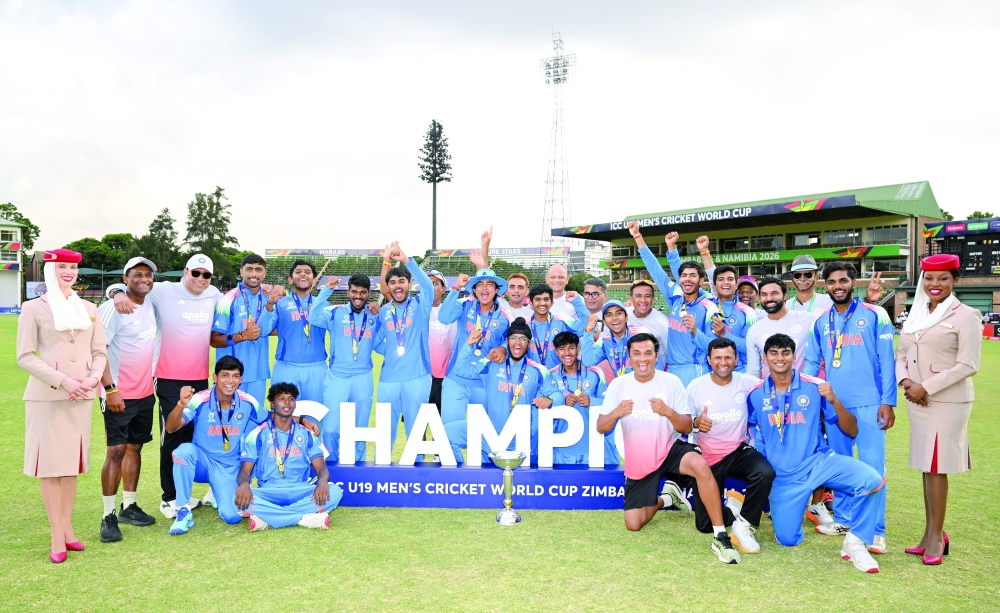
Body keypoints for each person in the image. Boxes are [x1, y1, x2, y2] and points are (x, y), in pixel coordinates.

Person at [596, 333, 741, 564]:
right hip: (640, 462)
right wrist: (616, 413)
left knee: (699, 465)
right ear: (629, 357)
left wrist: (667, 412)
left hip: (669, 450)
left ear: (656, 355)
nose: (642, 359)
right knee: (633, 524)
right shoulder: (619, 385)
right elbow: (601, 428)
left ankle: (720, 534)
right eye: (636, 353)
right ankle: (668, 498)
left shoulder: (671, 382)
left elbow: (685, 426)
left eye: (648, 353)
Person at [747, 333, 885, 573]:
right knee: (787, 539)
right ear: (765, 357)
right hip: (783, 477)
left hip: (818, 463)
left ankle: (855, 542)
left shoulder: (815, 387)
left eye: (786, 353)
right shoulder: (755, 394)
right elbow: (753, 436)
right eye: (774, 353)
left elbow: (851, 429)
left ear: (794, 356)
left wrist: (835, 400)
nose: (780, 358)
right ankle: (797, 510)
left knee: (871, 479)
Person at [107, 253, 220, 518]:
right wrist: (117, 294)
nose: (200, 279)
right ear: (185, 271)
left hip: (200, 377)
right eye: (196, 273)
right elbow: (134, 285)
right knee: (172, 434)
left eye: (206, 275)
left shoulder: (213, 293)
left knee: (196, 434)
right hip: (168, 376)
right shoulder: (164, 291)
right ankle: (170, 498)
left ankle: (187, 491)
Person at [17, 249, 107, 563]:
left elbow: (99, 352)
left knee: (70, 469)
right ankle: (56, 535)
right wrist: (64, 381)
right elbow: (25, 356)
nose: (68, 272)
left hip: (81, 397)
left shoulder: (88, 308)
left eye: (72, 267)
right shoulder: (33, 308)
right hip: (48, 398)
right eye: (61, 267)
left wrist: (93, 379)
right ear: (50, 270)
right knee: (51, 469)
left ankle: (68, 531)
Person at [896, 254, 982, 565]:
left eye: (943, 278)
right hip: (916, 399)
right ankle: (930, 533)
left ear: (955, 280)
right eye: (930, 279)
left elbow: (968, 364)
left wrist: (925, 387)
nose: (935, 285)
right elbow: (901, 354)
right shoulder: (916, 314)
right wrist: (906, 381)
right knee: (927, 466)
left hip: (946, 401)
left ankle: (936, 536)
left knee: (936, 465)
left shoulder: (967, 315)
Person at [804, 262, 896, 552]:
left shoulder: (875, 314)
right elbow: (809, 364)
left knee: (872, 468)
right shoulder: (820, 322)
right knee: (841, 465)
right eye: (831, 282)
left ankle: (876, 531)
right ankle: (843, 518)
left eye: (843, 280)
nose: (837, 286)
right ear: (826, 286)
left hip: (870, 404)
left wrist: (888, 401)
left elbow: (886, 361)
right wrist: (810, 400)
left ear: (853, 283)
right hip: (835, 406)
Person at [686, 338, 774, 554]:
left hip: (737, 450)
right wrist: (696, 424)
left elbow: (776, 388)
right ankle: (733, 506)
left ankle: (743, 525)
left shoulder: (748, 383)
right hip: (707, 459)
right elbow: (684, 423)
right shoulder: (696, 387)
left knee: (765, 473)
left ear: (736, 360)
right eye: (718, 357)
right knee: (705, 525)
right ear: (709, 360)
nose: (723, 362)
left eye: (728, 357)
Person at [166, 356, 269, 535]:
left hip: (229, 467)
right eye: (225, 375)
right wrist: (181, 404)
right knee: (183, 452)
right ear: (215, 377)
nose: (230, 381)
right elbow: (171, 427)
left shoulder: (248, 401)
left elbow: (271, 418)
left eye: (235, 376)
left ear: (241, 379)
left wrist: (303, 420)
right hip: (203, 462)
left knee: (232, 517)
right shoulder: (200, 399)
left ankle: (218, 491)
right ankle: (183, 511)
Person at [97, 256, 159, 543]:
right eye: (137, 274)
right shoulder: (113, 308)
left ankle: (128, 506)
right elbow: (97, 351)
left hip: (145, 393)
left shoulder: (151, 305)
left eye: (148, 275)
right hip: (118, 394)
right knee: (116, 451)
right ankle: (108, 516)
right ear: (125, 278)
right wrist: (110, 390)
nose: (144, 279)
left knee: (135, 447)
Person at [236, 383, 343, 531]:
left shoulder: (307, 433)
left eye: (291, 399)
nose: (287, 403)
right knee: (233, 498)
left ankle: (268, 517)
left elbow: (321, 468)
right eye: (281, 398)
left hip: (300, 489)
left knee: (335, 492)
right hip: (269, 491)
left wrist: (323, 481)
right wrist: (244, 485)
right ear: (272, 404)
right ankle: (304, 518)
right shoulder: (258, 433)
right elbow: (245, 471)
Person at [442, 317, 549, 464]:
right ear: (507, 341)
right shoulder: (491, 364)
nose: (518, 342)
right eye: (514, 338)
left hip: (519, 441)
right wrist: (468, 345)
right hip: (488, 433)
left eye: (523, 339)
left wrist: (551, 399)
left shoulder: (539, 371)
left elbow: (555, 393)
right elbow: (460, 370)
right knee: (444, 433)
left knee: (516, 484)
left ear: (529, 344)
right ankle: (462, 476)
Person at [629, 222, 717, 386]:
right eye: (684, 276)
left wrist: (695, 331)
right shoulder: (676, 297)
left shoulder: (709, 306)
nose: (687, 279)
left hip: (695, 370)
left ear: (701, 281)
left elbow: (713, 347)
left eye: (693, 275)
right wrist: (637, 237)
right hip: (671, 370)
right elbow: (655, 270)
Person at [309, 273, 381, 461]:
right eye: (354, 292)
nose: (358, 296)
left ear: (368, 294)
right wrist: (326, 290)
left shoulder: (374, 316)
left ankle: (358, 467)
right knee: (331, 428)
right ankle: (331, 466)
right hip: (337, 377)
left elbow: (382, 340)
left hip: (363, 377)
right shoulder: (335, 312)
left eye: (363, 293)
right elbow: (313, 318)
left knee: (360, 428)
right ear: (348, 292)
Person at [373, 242, 436, 448]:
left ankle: (417, 473)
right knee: (385, 430)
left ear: (409, 284)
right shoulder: (384, 312)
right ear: (388, 287)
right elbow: (375, 342)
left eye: (402, 281)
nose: (397, 286)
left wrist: (407, 260)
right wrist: (391, 352)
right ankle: (383, 471)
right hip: (388, 380)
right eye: (392, 282)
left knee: (416, 430)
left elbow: (427, 286)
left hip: (417, 377)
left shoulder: (420, 305)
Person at [439, 259, 511, 425]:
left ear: (496, 290)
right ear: (474, 289)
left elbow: (514, 341)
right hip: (455, 378)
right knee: (448, 431)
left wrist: (504, 348)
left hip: (483, 381)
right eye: (480, 284)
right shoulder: (464, 305)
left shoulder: (505, 317)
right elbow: (444, 317)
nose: (484, 288)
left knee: (484, 434)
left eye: (489, 284)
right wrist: (456, 288)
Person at [536, 331, 618, 465]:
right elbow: (542, 407)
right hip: (561, 451)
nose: (567, 353)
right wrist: (562, 402)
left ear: (578, 349)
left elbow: (610, 405)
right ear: (556, 352)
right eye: (562, 349)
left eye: (571, 348)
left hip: (592, 449)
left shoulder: (595, 373)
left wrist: (592, 401)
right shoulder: (550, 375)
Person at [211, 253, 282, 406]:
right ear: (241, 271)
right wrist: (243, 335)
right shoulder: (227, 300)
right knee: (226, 423)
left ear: (265, 273)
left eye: (258, 269)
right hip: (231, 375)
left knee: (253, 421)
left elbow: (274, 329)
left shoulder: (271, 299)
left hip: (258, 373)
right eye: (249, 269)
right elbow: (214, 340)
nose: (254, 274)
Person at [270, 259, 328, 403]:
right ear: (290, 279)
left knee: (316, 418)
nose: (303, 275)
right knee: (283, 419)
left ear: (314, 280)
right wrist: (270, 302)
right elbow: (264, 329)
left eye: (307, 272)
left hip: (317, 369)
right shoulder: (280, 303)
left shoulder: (324, 305)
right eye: (298, 272)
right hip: (286, 368)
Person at [744, 276, 816, 379]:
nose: (769, 298)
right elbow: (753, 371)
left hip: (802, 392)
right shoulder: (754, 330)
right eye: (764, 295)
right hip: (769, 393)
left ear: (785, 296)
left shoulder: (809, 320)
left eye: (775, 293)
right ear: (759, 298)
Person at [707, 264, 758, 373]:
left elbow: (750, 348)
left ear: (736, 285)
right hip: (709, 372)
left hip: (738, 372)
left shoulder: (749, 313)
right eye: (721, 279)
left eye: (730, 279)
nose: (726, 282)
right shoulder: (706, 306)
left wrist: (724, 334)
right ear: (714, 286)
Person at [524, 284, 587, 368]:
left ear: (552, 303)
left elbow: (588, 327)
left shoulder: (563, 322)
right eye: (537, 299)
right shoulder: (524, 325)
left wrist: (577, 301)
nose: (542, 303)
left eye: (546, 299)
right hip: (533, 378)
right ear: (531, 303)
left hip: (559, 378)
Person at [427, 269, 458, 412]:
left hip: (445, 378)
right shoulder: (415, 309)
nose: (430, 286)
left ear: (443, 289)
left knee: (440, 424)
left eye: (434, 283)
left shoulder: (453, 311)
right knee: (418, 424)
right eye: (426, 283)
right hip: (421, 376)